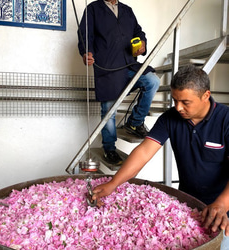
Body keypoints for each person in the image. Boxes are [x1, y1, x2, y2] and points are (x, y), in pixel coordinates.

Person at [92, 65, 229, 235]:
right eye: (175, 100)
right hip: (188, 203)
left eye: (185, 102)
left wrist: (222, 203)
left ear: (206, 95)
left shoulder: (226, 119)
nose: (178, 107)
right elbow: (143, 152)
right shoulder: (170, 118)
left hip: (223, 208)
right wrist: (114, 183)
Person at [77, 0, 160, 166]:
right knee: (109, 109)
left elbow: (138, 31)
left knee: (152, 80)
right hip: (108, 67)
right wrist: (86, 53)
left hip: (129, 62)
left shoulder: (127, 10)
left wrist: (142, 43)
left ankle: (135, 123)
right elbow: (85, 35)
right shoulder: (93, 9)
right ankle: (109, 149)